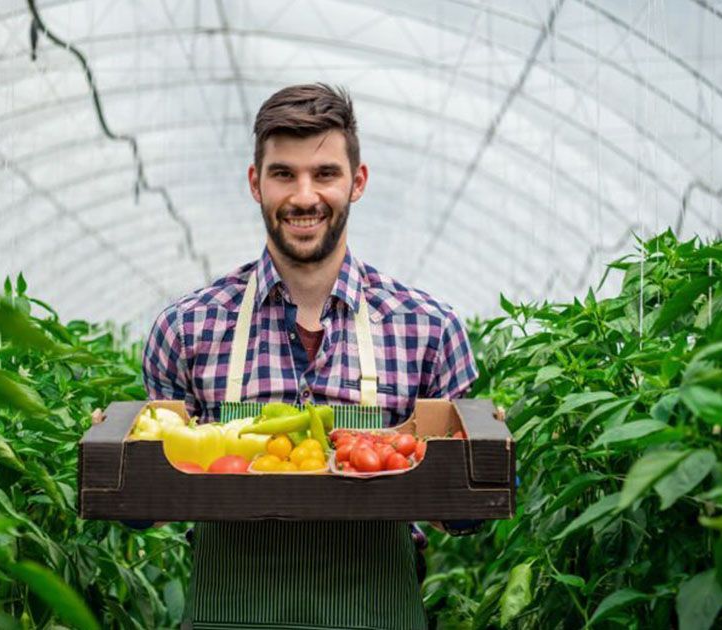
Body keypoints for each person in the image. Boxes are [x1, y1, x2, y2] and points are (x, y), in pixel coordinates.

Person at [142, 83, 480, 630]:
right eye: (283, 174)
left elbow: (461, 516)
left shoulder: (427, 330)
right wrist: (125, 458)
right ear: (256, 184)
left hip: (378, 615)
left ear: (358, 182)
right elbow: (150, 501)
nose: (304, 196)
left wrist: (481, 466)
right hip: (227, 615)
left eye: (325, 174)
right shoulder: (186, 329)